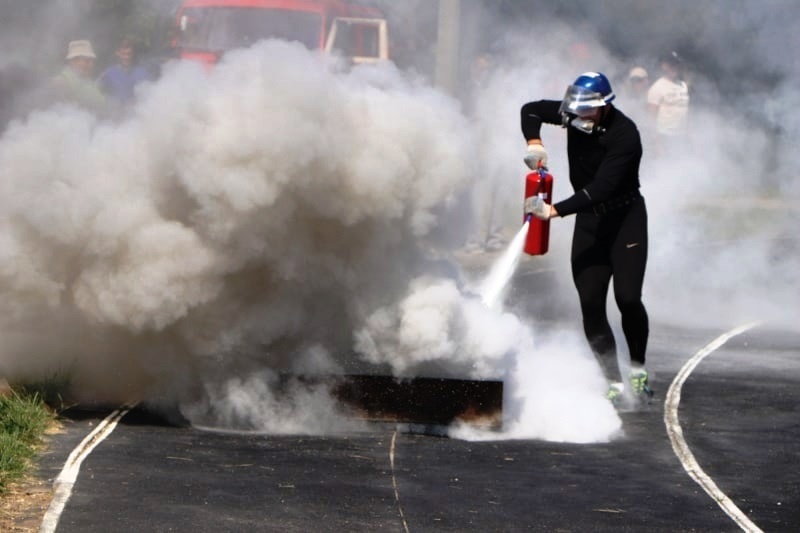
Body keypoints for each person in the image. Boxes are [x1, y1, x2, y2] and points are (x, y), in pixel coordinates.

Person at [520, 72, 652, 405]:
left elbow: (602, 188)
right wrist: (534, 141)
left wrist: (555, 211)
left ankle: (637, 367)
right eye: (575, 110)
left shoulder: (625, 135)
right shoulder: (572, 115)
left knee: (628, 298)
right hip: (590, 223)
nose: (579, 117)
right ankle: (612, 380)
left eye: (587, 112)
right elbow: (531, 109)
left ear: (605, 107)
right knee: (591, 304)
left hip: (625, 221)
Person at [647, 51, 690, 152]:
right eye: (671, 65)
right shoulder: (657, 87)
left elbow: (686, 111)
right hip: (665, 137)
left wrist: (689, 135)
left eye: (676, 64)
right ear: (664, 66)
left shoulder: (683, 85)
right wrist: (656, 143)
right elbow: (650, 118)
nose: (674, 67)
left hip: (681, 136)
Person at [51, 39, 107, 114]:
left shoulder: (90, 84)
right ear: (73, 61)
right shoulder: (60, 82)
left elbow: (102, 105)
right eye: (87, 61)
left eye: (92, 61)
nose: (91, 65)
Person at [98, 36, 152, 108]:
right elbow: (98, 93)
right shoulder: (108, 74)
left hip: (138, 113)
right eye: (124, 49)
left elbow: (150, 95)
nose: (127, 52)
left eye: (130, 49)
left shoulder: (142, 72)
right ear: (117, 52)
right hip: (116, 114)